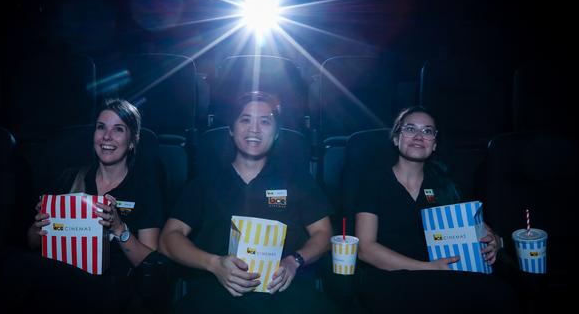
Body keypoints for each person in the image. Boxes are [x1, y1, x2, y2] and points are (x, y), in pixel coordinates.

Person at [159, 91, 336, 314]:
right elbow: (168, 239)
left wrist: (295, 261)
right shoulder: (206, 182)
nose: (254, 129)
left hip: (285, 293)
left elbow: (324, 233)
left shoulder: (297, 179)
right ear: (231, 130)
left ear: (277, 132)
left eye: (265, 121)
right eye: (245, 120)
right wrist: (214, 264)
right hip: (217, 291)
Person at [353, 106, 518, 314]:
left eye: (427, 131)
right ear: (396, 139)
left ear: (434, 144)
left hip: (439, 274)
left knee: (501, 293)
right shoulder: (373, 181)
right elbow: (365, 249)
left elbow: (477, 227)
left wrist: (495, 240)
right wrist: (426, 267)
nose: (419, 136)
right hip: (389, 277)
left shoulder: (443, 183)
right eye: (410, 129)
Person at [14, 98, 167, 313]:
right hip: (61, 277)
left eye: (118, 129)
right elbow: (33, 243)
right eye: (101, 127)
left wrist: (118, 228)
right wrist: (39, 228)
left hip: (112, 287)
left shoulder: (144, 189)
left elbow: (150, 262)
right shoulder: (69, 178)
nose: (107, 136)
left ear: (132, 141)